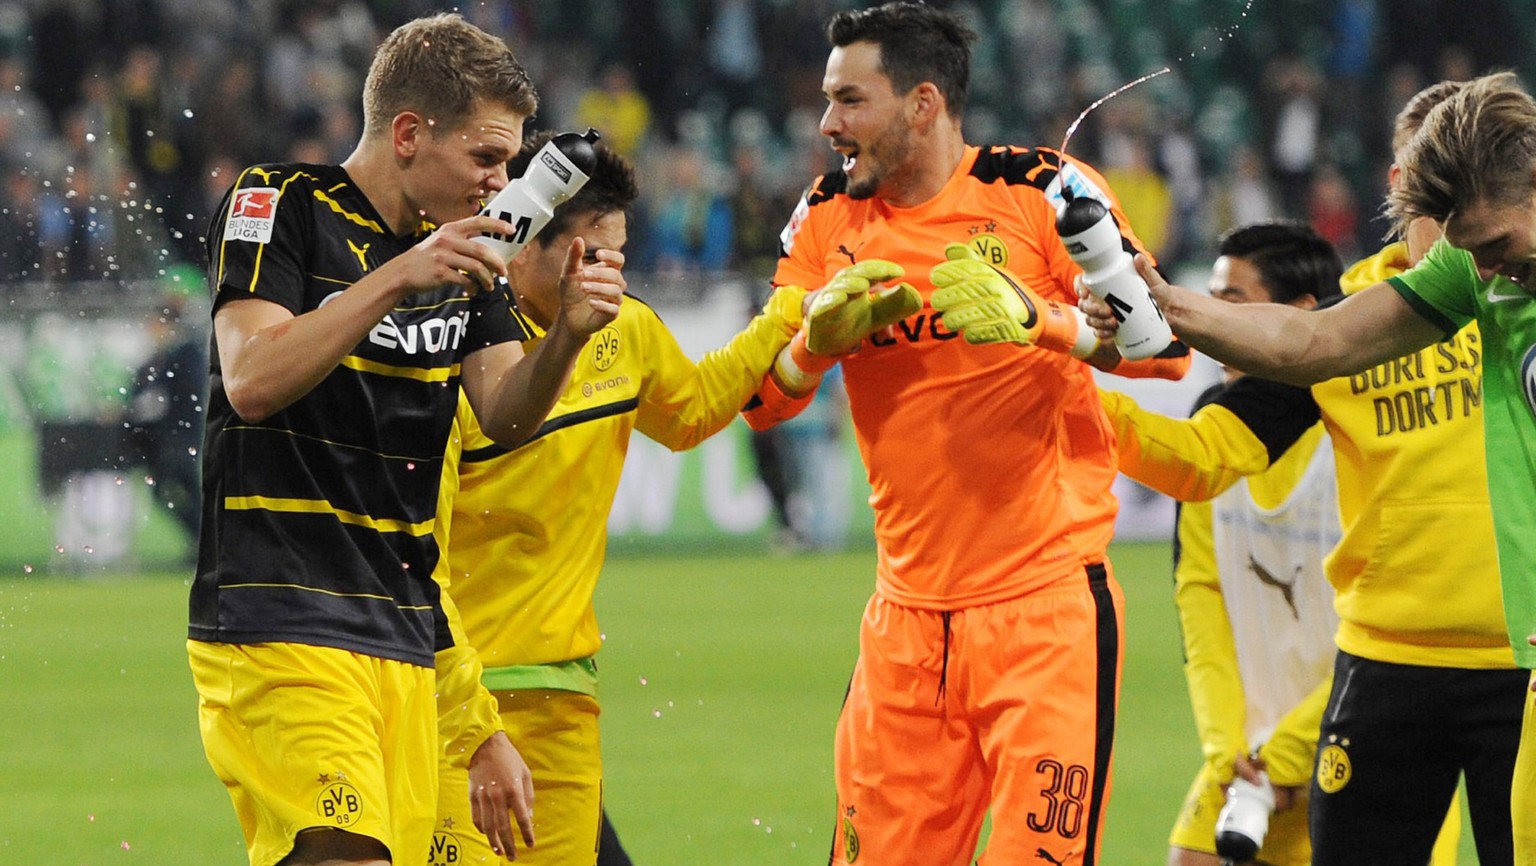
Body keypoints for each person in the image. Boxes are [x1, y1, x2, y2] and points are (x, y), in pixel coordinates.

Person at [740, 4, 1189, 864]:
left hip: (1046, 617)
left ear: (922, 102)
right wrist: (810, 346)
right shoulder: (827, 215)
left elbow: (1166, 351)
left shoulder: (1046, 191)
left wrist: (1045, 322)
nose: (828, 123)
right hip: (904, 634)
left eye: (850, 100)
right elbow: (760, 402)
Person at [185, 15, 624, 866]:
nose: (502, 184)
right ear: (412, 134)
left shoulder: (465, 252)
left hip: (401, 634)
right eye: (488, 158)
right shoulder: (282, 203)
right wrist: (398, 277)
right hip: (278, 617)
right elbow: (250, 380)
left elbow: (503, 411)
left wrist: (566, 336)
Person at [1087, 72, 1536, 865]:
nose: (1481, 267)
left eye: (1491, 243)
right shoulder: (1459, 279)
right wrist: (1159, 306)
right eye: (1445, 231)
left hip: (1520, 663)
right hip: (1388, 660)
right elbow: (1307, 347)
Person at [431, 132, 812, 866]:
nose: (609, 275)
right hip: (454, 701)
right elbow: (412, 554)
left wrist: (784, 320)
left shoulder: (627, 330)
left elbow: (691, 410)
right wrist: (467, 718)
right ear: (524, 246)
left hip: (564, 692)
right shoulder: (450, 357)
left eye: (619, 255)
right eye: (591, 258)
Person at [1105, 222, 1462, 866]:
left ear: (1303, 317)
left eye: (1233, 301)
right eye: (1210, 297)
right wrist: (1228, 749)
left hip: (1359, 739)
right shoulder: (1216, 424)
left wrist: (1294, 751)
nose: (1213, 321)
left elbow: (1387, 616)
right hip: (1248, 759)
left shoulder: (1357, 434)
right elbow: (1200, 594)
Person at [127, 294, 208, 554]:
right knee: (173, 493)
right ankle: (201, 542)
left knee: (180, 492)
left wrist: (149, 405)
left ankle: (202, 542)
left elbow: (182, 394)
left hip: (181, 438)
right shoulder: (157, 359)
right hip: (165, 441)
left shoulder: (185, 354)